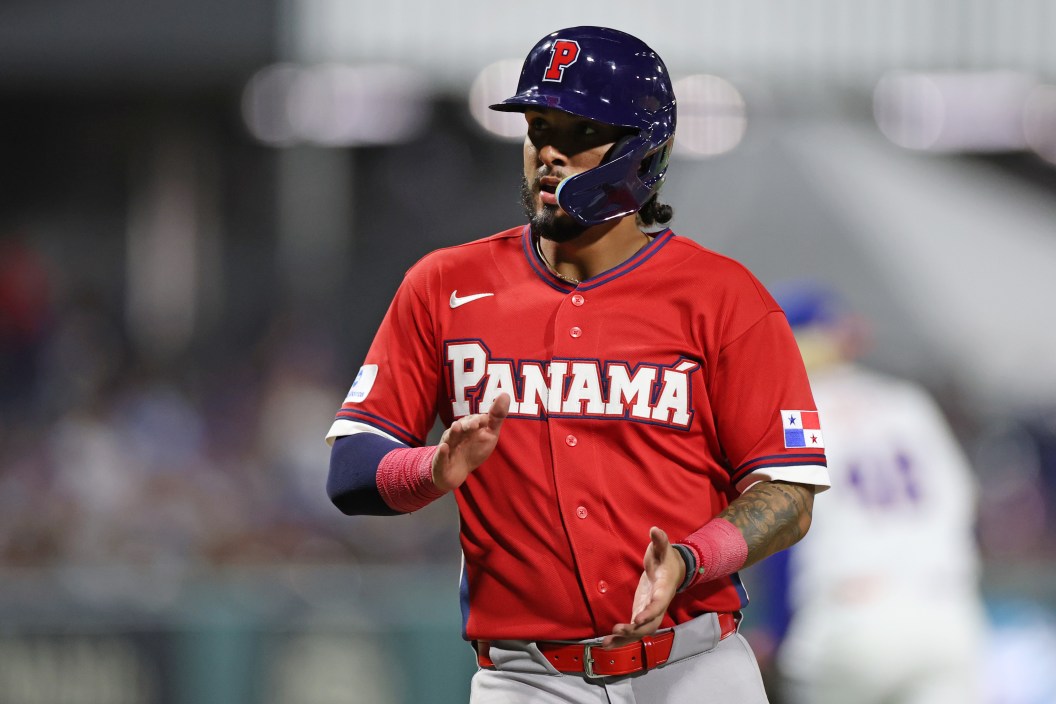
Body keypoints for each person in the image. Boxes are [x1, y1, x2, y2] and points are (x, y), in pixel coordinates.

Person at [325, 26, 830, 703]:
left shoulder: (723, 296)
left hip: (695, 670)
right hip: (527, 679)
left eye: (580, 130)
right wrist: (432, 469)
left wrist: (690, 559)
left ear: (646, 148)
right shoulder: (444, 284)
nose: (549, 153)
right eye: (538, 127)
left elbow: (788, 492)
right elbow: (351, 469)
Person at [761, 280, 987, 704]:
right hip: (946, 615)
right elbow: (966, 509)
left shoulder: (797, 415)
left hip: (851, 612)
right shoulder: (908, 402)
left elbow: (782, 525)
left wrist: (779, 630)